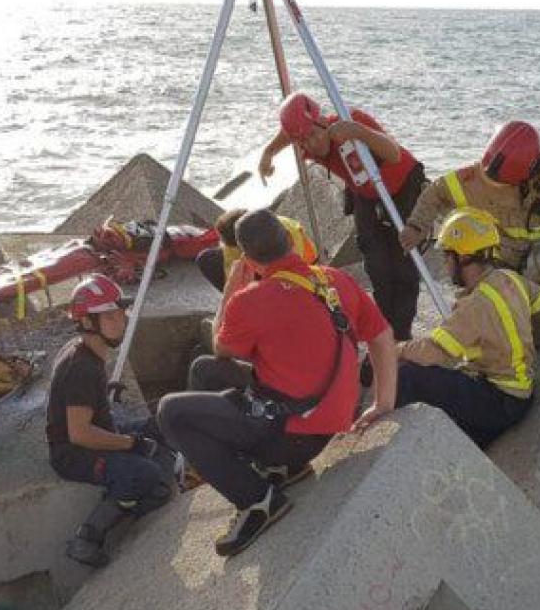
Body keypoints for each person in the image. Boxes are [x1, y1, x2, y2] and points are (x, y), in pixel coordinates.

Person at [157, 210, 396, 557]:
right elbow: (382, 334)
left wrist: (230, 291)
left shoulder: (249, 299)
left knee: (171, 412)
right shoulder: (334, 279)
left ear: (247, 258)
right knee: (205, 370)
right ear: (289, 243)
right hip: (330, 417)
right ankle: (281, 469)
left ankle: (258, 501)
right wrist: (383, 401)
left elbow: (220, 345)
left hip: (292, 434)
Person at [256, 92, 426, 341]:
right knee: (377, 265)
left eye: (314, 135)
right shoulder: (304, 140)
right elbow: (287, 132)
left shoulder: (350, 120)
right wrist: (268, 153)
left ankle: (400, 335)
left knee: (403, 265)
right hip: (365, 192)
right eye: (303, 141)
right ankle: (384, 329)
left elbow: (394, 154)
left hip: (402, 185)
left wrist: (358, 132)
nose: (312, 144)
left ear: (323, 122)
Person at [46, 274, 183, 568]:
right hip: (73, 454)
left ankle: (168, 476)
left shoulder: (87, 353)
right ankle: (87, 537)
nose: (120, 321)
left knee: (163, 416)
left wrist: (105, 397)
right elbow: (80, 434)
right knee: (145, 476)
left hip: (99, 430)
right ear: (87, 323)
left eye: (120, 313)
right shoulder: (81, 367)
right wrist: (129, 443)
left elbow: (84, 407)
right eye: (110, 316)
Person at [396, 208, 540, 447]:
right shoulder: (510, 279)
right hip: (518, 396)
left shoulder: (476, 305)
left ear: (462, 258)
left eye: (447, 256)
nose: (445, 264)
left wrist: (395, 351)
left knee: (408, 376)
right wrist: (535, 340)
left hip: (498, 401)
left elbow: (432, 353)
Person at [399, 121, 540, 284]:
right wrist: (417, 226)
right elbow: (435, 194)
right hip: (501, 258)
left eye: (505, 185)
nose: (496, 187)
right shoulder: (472, 179)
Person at [194, 208, 318, 295]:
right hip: (266, 260)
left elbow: (293, 272)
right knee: (206, 258)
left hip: (303, 267)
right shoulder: (263, 223)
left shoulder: (289, 237)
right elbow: (233, 281)